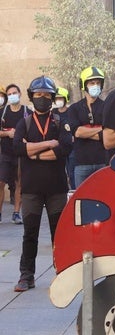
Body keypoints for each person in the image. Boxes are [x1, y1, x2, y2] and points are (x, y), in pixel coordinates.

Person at [13, 76, 73, 292]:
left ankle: (63, 272)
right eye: (38, 95)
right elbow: (17, 149)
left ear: (52, 98)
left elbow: (64, 150)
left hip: (56, 188)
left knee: (60, 233)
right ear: (32, 97)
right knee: (30, 233)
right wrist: (48, 144)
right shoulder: (24, 122)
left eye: (47, 95)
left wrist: (33, 150)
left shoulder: (60, 122)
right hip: (31, 190)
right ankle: (26, 276)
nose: (42, 99)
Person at [67, 66, 106, 187]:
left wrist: (86, 132)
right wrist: (100, 129)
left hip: (103, 162)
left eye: (98, 83)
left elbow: (108, 133)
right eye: (92, 83)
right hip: (81, 164)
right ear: (84, 85)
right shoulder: (74, 108)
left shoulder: (107, 106)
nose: (96, 86)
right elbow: (77, 132)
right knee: (82, 202)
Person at [0, 84, 29, 224]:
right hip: (5, 154)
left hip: (20, 154)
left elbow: (33, 131)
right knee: (1, 183)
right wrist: (7, 133)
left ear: (20, 93)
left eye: (14, 93)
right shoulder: (3, 112)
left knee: (19, 183)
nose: (12, 96)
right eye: (9, 94)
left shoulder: (27, 112)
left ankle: (16, 213)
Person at [53, 87, 75, 189]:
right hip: (57, 146)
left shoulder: (71, 112)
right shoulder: (53, 113)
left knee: (72, 172)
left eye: (60, 98)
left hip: (71, 147)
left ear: (66, 99)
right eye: (56, 98)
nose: (58, 101)